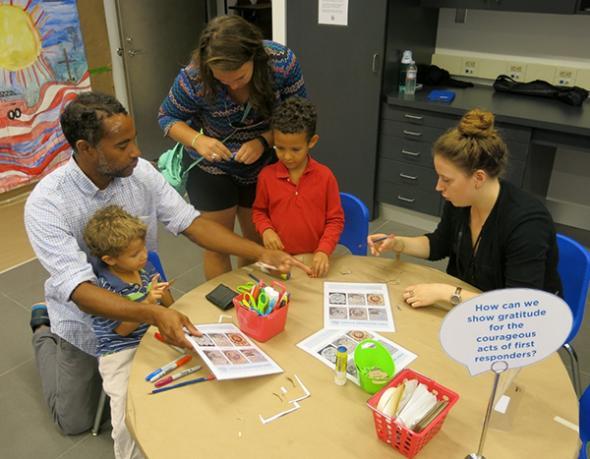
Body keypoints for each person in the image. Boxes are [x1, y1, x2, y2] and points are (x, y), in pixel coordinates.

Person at [24, 91, 307, 435]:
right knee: (74, 423)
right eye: (123, 145)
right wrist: (154, 313)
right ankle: (43, 328)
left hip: (144, 306)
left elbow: (192, 223)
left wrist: (261, 251)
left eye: (134, 140)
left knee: (171, 402)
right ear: (85, 149)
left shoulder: (140, 173)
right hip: (83, 321)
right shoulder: (46, 203)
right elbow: (80, 291)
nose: (137, 152)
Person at [158, 15, 306, 280]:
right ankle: (224, 311)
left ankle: (251, 303)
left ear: (254, 58)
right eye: (223, 80)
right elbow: (167, 118)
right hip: (210, 168)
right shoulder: (194, 77)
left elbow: (298, 117)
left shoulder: (281, 63)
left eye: (239, 77)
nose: (233, 85)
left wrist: (263, 141)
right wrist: (198, 140)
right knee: (217, 245)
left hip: (262, 165)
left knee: (254, 241)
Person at [368, 108, 561, 308]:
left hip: (517, 325)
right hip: (470, 308)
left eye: (446, 180)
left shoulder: (527, 224)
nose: (438, 187)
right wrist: (398, 243)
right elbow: (438, 244)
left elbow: (518, 306)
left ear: (478, 178)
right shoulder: (461, 201)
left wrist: (446, 292)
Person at [84, 205, 170, 459]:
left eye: (143, 248)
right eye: (135, 254)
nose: (144, 256)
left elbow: (168, 303)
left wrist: (164, 299)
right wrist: (148, 304)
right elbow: (121, 330)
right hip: (120, 351)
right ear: (110, 259)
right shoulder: (103, 289)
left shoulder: (144, 267)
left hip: (151, 337)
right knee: (124, 417)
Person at [252, 97, 345, 278]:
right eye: (280, 148)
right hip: (278, 261)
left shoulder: (325, 177)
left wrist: (324, 251)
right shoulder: (266, 176)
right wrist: (267, 230)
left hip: (313, 260)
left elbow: (335, 220)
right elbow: (259, 211)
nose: (287, 156)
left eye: (295, 149)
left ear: (312, 142)